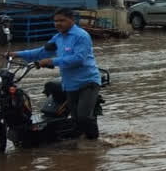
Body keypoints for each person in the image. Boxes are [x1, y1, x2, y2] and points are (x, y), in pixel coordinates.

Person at [8, 8, 101, 139]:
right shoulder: (58, 38)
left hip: (88, 82)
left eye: (62, 20)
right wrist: (17, 54)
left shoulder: (81, 36)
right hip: (70, 84)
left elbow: (78, 59)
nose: (58, 24)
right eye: (55, 21)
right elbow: (41, 52)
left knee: (84, 117)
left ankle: (94, 144)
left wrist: (52, 61)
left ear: (72, 20)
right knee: (76, 120)